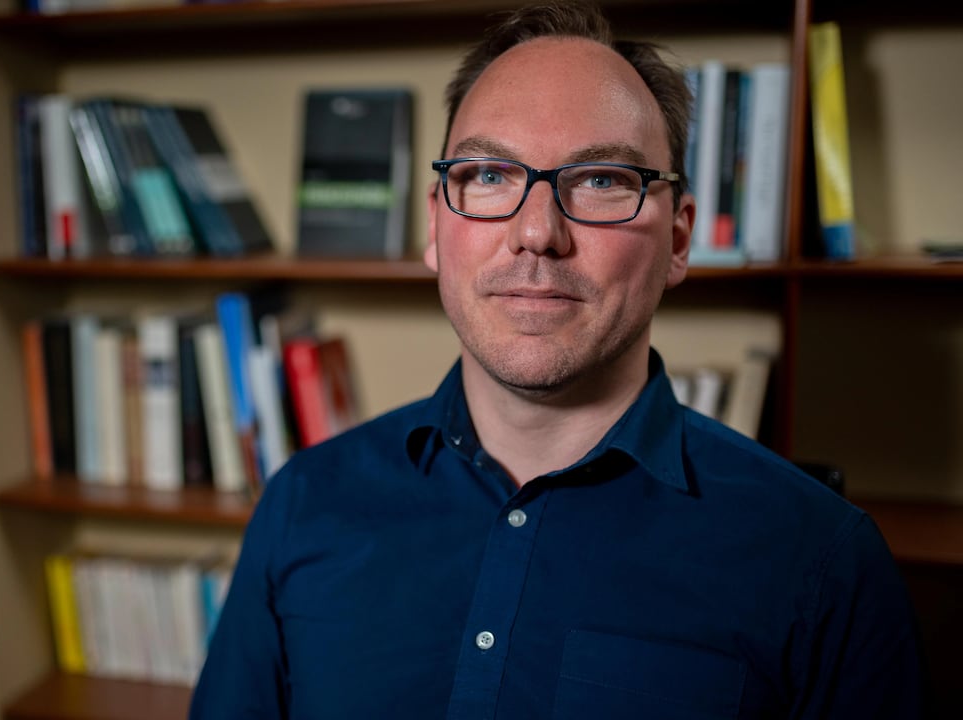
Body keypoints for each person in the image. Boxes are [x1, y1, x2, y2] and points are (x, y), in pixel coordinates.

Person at [189, 1, 925, 717]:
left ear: (678, 240)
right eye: (489, 175)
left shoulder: (825, 563)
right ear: (436, 226)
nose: (537, 233)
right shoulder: (303, 504)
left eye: (602, 181)